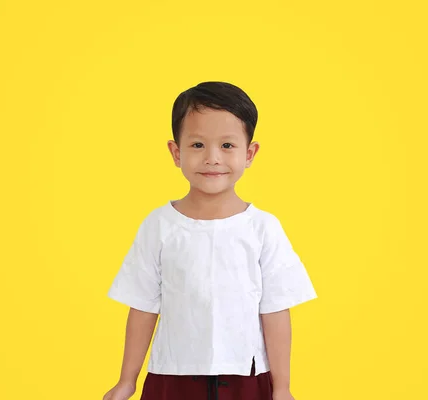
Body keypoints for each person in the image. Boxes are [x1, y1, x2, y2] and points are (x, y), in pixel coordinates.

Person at [102, 81, 318, 400]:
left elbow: (275, 311)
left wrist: (282, 387)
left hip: (246, 375)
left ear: (250, 153)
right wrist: (126, 380)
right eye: (198, 145)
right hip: (172, 374)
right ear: (176, 152)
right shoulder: (159, 226)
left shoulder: (263, 228)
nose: (212, 158)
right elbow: (143, 306)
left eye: (227, 146)